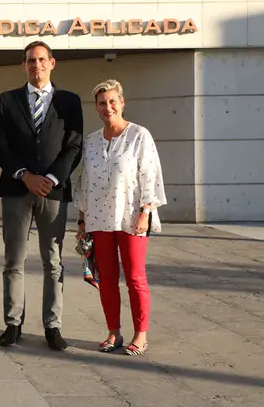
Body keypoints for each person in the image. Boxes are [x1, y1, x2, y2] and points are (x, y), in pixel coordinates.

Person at [0, 41, 83, 351]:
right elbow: (0, 145)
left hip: (53, 191)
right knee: (13, 261)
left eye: (42, 59)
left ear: (52, 63)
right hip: (17, 189)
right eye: (31, 60)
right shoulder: (7, 99)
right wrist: (24, 175)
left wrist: (51, 178)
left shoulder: (69, 101)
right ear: (24, 65)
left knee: (53, 261)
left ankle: (52, 326)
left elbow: (74, 145)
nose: (37, 65)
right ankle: (13, 323)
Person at [75, 79, 166, 356]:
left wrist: (145, 211)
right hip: (99, 219)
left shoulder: (139, 135)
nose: (108, 107)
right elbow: (85, 181)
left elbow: (149, 175)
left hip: (131, 217)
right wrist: (81, 220)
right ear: (96, 107)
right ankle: (113, 332)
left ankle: (141, 334)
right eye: (102, 103)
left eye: (112, 101)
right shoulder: (91, 141)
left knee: (135, 277)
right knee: (107, 279)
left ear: (122, 103)